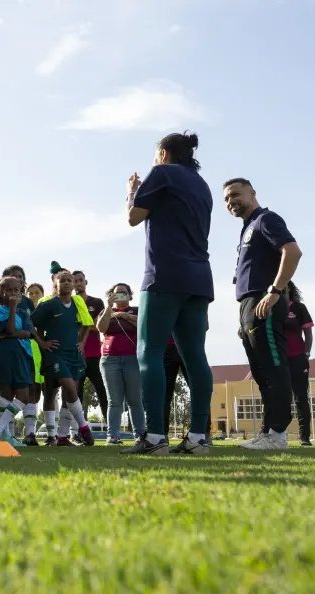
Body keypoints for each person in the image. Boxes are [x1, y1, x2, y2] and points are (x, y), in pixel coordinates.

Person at [125, 132, 215, 455]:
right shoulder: (203, 185)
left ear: (163, 154)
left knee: (148, 353)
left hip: (163, 275)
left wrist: (132, 191)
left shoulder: (161, 172)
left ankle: (154, 437)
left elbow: (133, 217)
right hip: (200, 278)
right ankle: (198, 437)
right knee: (196, 358)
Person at [225, 177, 302, 450]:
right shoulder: (248, 228)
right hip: (249, 305)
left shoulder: (265, 220)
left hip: (264, 300)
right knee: (261, 372)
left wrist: (275, 291)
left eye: (235, 194)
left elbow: (292, 252)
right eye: (226, 199)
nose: (231, 201)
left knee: (273, 367)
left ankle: (278, 434)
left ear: (252, 193)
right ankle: (268, 431)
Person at [32, 270, 94, 447]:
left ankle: (61, 437)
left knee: (70, 394)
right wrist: (42, 343)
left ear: (74, 284)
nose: (66, 283)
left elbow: (87, 325)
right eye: (62, 280)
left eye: (69, 280)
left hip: (74, 354)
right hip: (56, 353)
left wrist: (82, 342)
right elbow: (30, 323)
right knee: (67, 387)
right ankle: (84, 427)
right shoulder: (49, 304)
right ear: (55, 285)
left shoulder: (77, 304)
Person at [0, 276, 35, 446]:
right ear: (0, 292)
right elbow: (11, 329)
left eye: (16, 290)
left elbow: (28, 333)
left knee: (23, 396)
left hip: (20, 355)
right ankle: (6, 436)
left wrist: (7, 335)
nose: (13, 293)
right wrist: (12, 309)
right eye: (9, 290)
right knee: (6, 395)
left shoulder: (24, 313)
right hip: (3, 355)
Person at [95, 283, 144, 445]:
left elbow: (143, 324)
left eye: (124, 293)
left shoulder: (137, 310)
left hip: (133, 359)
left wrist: (123, 316)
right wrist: (109, 308)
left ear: (130, 295)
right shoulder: (106, 311)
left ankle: (140, 435)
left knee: (135, 400)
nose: (120, 295)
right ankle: (113, 436)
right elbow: (101, 327)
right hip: (110, 360)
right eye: (117, 293)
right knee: (114, 400)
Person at [73, 270, 108, 421]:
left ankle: (110, 427)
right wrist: (89, 324)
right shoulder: (69, 303)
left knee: (103, 391)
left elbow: (102, 325)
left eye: (80, 280)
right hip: (75, 354)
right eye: (74, 281)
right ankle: (79, 428)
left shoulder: (97, 302)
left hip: (95, 355)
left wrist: (84, 325)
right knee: (75, 394)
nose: (78, 283)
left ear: (85, 282)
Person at [284, 281, 313, 446]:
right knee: (281, 397)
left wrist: (306, 354)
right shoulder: (272, 307)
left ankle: (305, 437)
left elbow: (308, 334)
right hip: (279, 360)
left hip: (298, 358)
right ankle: (278, 435)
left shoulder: (299, 308)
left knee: (301, 398)